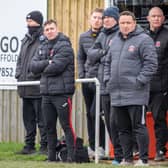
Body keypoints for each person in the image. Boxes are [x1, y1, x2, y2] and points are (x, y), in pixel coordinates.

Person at [104, 11, 158, 166]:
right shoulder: (114, 41)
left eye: (128, 23)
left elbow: (151, 64)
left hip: (136, 93)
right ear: (118, 24)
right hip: (117, 94)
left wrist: (139, 81)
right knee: (122, 129)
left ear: (134, 23)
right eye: (122, 23)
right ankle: (127, 160)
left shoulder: (144, 40)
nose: (125, 26)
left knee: (139, 127)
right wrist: (108, 80)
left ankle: (143, 159)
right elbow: (107, 62)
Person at [30, 19, 76, 162]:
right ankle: (51, 157)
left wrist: (42, 68)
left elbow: (56, 68)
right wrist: (47, 62)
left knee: (66, 125)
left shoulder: (65, 46)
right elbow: (32, 67)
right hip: (46, 94)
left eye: (52, 28)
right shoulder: (41, 46)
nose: (49, 31)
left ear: (57, 29)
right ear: (44, 32)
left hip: (62, 94)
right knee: (49, 126)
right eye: (47, 29)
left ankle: (71, 157)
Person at [87, 6, 123, 165]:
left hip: (116, 85)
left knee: (118, 121)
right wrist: (103, 53)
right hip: (102, 86)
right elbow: (91, 54)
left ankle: (125, 152)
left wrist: (103, 54)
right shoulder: (102, 34)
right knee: (107, 121)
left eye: (109, 17)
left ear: (116, 19)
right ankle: (117, 154)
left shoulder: (119, 34)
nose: (105, 20)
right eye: (104, 18)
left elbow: (116, 55)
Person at [15, 10, 47, 155]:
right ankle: (29, 146)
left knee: (42, 120)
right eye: (27, 21)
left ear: (38, 22)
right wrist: (18, 74)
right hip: (24, 87)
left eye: (31, 21)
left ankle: (45, 146)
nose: (29, 24)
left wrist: (32, 75)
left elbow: (43, 62)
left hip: (37, 87)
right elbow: (20, 60)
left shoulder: (43, 39)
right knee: (28, 120)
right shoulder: (25, 39)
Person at [77, 8, 105, 158]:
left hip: (101, 81)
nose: (97, 20)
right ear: (90, 19)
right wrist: (82, 75)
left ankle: (101, 145)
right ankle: (93, 146)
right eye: (94, 17)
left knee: (96, 113)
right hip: (87, 80)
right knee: (89, 114)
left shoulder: (106, 36)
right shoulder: (83, 37)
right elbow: (80, 58)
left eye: (100, 18)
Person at [146, 6, 168, 161]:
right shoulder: (141, 36)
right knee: (136, 119)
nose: (156, 19)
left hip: (161, 87)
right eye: (153, 16)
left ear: (164, 18)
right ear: (148, 18)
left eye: (158, 16)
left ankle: (160, 149)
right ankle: (138, 149)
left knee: (158, 118)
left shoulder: (167, 36)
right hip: (142, 86)